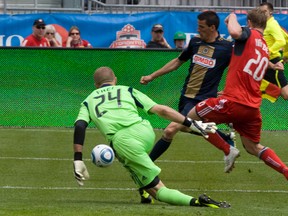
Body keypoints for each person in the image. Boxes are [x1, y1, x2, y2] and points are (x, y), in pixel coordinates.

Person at [72, 66, 230, 208]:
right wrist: (193, 123)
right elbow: (161, 110)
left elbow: (80, 126)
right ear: (115, 80)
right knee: (140, 174)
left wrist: (78, 159)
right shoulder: (127, 90)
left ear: (96, 85)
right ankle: (144, 191)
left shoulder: (88, 101)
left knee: (158, 189)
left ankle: (197, 202)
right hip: (145, 131)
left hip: (124, 142)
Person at [187, 9, 288, 180]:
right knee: (252, 147)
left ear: (248, 23)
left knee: (191, 119)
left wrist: (232, 15)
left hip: (235, 102)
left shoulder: (250, 34)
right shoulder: (264, 47)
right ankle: (286, 171)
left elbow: (234, 32)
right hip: (252, 108)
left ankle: (228, 149)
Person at [140, 11, 237, 172]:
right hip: (186, 97)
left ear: (213, 27)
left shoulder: (226, 48)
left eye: (202, 27)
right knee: (187, 127)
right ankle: (225, 138)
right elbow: (177, 62)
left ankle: (145, 165)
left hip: (203, 101)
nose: (198, 30)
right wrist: (152, 76)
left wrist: (228, 90)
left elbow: (238, 70)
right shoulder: (195, 42)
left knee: (170, 129)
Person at [259, 2, 288, 102]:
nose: (262, 14)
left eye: (264, 11)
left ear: (271, 12)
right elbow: (286, 37)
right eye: (260, 12)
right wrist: (286, 56)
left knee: (286, 94)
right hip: (264, 62)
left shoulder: (272, 24)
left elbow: (281, 41)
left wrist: (268, 52)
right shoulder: (264, 24)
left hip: (272, 61)